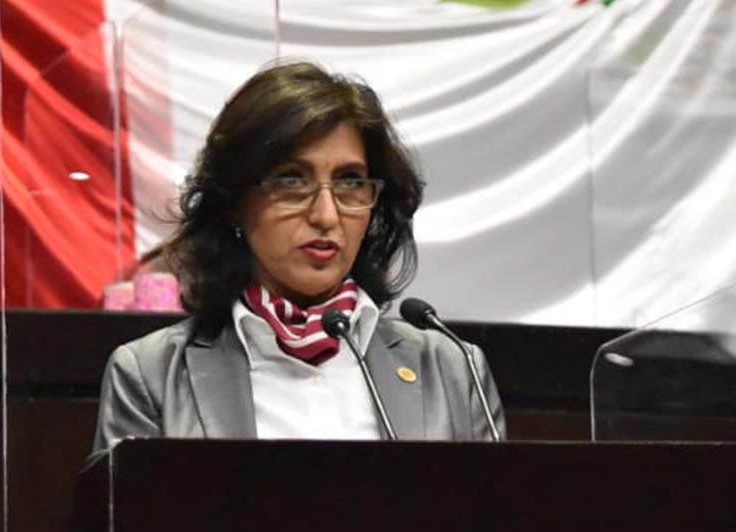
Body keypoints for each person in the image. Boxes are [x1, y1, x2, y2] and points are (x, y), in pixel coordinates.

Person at [90, 61, 505, 460]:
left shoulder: (452, 368)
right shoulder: (150, 375)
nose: (326, 216)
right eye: (292, 180)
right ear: (234, 201)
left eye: (350, 182)